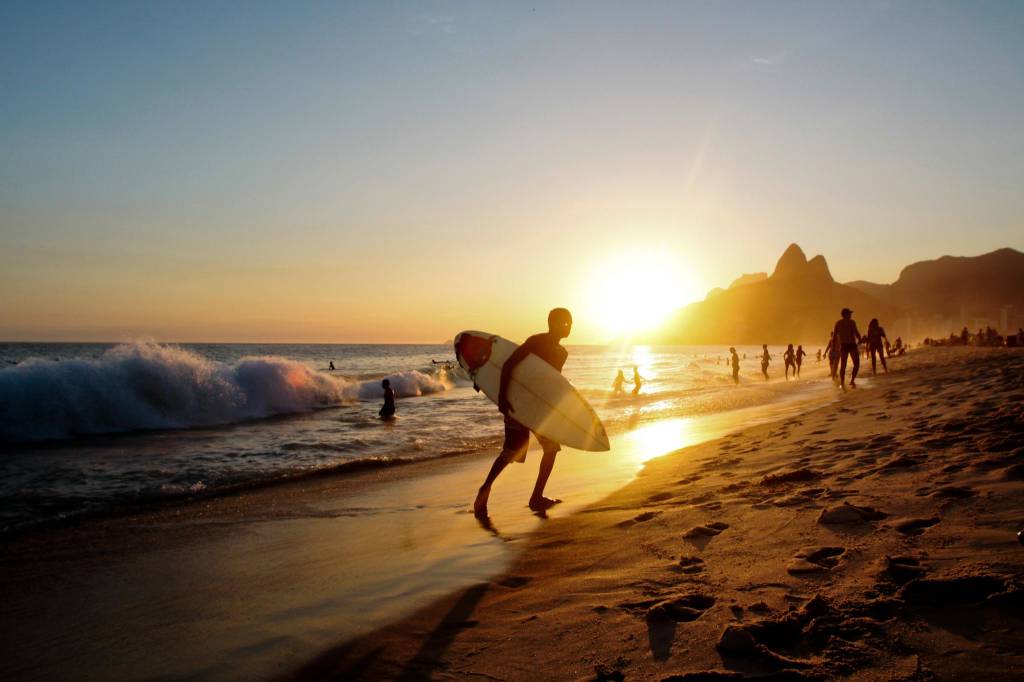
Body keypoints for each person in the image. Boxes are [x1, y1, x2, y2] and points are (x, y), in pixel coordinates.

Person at [474, 308, 572, 518]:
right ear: (552, 323)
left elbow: (551, 384)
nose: (569, 327)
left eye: (570, 323)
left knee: (551, 448)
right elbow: (510, 365)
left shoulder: (562, 353)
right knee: (512, 450)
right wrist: (501, 397)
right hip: (517, 403)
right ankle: (486, 488)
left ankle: (537, 496)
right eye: (565, 323)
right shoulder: (536, 341)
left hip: (539, 409)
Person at [833, 308, 862, 389]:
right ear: (846, 314)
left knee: (843, 365)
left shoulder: (838, 323)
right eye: (850, 313)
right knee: (856, 364)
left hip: (843, 346)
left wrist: (833, 348)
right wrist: (860, 340)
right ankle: (852, 380)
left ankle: (842, 383)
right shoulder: (851, 322)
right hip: (851, 345)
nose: (851, 315)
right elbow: (856, 333)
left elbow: (834, 336)